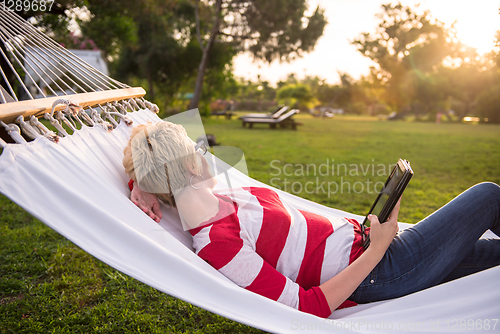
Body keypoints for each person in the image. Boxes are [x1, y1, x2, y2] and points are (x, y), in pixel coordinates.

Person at [123, 120, 500, 318]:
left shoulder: (224, 197)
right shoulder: (219, 244)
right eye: (197, 148)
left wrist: (140, 183)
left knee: (490, 259)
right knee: (488, 195)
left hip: (369, 247)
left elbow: (157, 163)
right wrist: (378, 248)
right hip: (379, 269)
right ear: (190, 165)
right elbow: (307, 307)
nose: (206, 154)